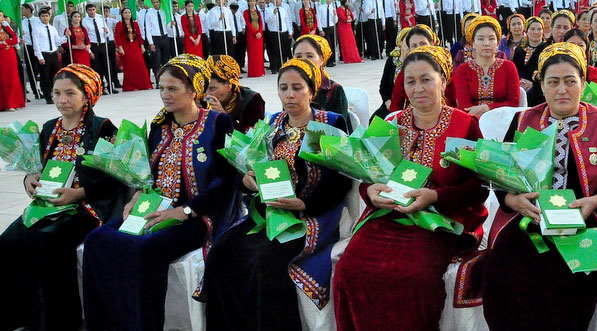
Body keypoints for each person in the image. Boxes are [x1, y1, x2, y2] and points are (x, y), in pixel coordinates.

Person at [481, 43, 597, 330]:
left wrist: (595, 201)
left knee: (570, 278)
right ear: (542, 87)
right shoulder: (524, 120)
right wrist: (511, 200)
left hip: (588, 222)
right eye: (553, 82)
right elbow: (502, 171)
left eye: (570, 81)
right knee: (504, 268)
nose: (562, 90)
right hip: (530, 220)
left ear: (582, 85)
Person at [82, 54, 240, 331]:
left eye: (172, 88)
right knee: (97, 240)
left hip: (197, 216)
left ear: (194, 90)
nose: (164, 95)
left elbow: (225, 184)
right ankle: (107, 323)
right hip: (154, 209)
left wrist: (185, 210)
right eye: (161, 88)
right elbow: (148, 175)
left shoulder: (217, 123)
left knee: (144, 250)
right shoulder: (159, 126)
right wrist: (135, 198)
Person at [333, 45, 487, 329]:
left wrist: (435, 196)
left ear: (443, 80)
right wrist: (371, 193)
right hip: (389, 218)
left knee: (412, 277)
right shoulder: (391, 124)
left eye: (426, 79)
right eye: (410, 81)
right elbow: (369, 176)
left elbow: (479, 189)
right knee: (349, 271)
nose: (418, 89)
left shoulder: (465, 125)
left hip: (440, 221)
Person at [202, 58, 351, 328]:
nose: (289, 95)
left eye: (297, 87)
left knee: (265, 262)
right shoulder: (274, 123)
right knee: (221, 252)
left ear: (312, 90)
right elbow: (255, 167)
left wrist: (303, 203)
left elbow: (340, 183)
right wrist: (247, 182)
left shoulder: (327, 124)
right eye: (283, 88)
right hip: (271, 212)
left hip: (310, 215)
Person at [0, 65, 120, 331]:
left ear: (87, 95)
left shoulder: (103, 129)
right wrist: (29, 180)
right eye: (56, 93)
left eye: (69, 93)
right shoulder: (48, 128)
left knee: (47, 243)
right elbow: (38, 168)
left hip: (87, 208)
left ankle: (59, 322)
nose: (61, 100)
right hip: (49, 205)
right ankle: (22, 317)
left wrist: (79, 193)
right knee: (7, 243)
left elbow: (116, 178)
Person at [453, 16, 521, 116]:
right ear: (473, 44)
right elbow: (464, 107)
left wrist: (488, 108)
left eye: (491, 39)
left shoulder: (509, 67)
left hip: (504, 121)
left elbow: (514, 103)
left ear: (497, 43)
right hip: (472, 122)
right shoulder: (462, 70)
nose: (486, 43)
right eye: (480, 39)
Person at [292, 34, 350, 130]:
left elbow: (339, 129)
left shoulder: (334, 90)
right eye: (298, 56)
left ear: (321, 60)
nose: (304, 61)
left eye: (310, 56)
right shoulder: (290, 87)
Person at [385, 25, 447, 114]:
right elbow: (396, 105)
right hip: (412, 116)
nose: (419, 48)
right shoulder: (405, 72)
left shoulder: (445, 68)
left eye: (423, 43)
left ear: (432, 44)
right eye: (414, 45)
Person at [204, 55, 266, 133]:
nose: (207, 93)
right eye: (205, 88)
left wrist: (223, 115)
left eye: (212, 88)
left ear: (229, 85)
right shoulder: (200, 99)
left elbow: (252, 137)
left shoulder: (252, 100)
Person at [115, 8, 152, 92]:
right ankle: (131, 86)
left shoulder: (135, 24)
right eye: (125, 13)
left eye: (129, 12)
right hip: (126, 48)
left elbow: (139, 36)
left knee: (141, 65)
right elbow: (117, 37)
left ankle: (144, 84)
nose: (127, 14)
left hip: (135, 47)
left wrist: (142, 46)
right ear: (122, 14)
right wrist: (120, 48)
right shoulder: (119, 24)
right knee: (129, 67)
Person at [511, 16, 549, 92]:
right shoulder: (520, 49)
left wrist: (533, 83)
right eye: (532, 29)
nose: (536, 32)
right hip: (521, 86)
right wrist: (521, 81)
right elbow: (515, 70)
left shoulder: (547, 49)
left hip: (540, 88)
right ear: (526, 31)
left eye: (539, 29)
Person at [33, 7, 62, 104]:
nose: (45, 18)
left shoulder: (52, 28)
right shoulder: (37, 29)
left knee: (55, 75)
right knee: (45, 76)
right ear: (40, 17)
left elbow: (57, 40)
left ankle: (53, 92)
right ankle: (47, 96)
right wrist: (40, 57)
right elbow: (36, 45)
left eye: (46, 16)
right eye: (43, 16)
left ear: (49, 17)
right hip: (44, 54)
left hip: (53, 53)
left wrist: (66, 36)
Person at [0, 19, 24, 110]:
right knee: (4, 79)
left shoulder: (6, 28)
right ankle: (6, 104)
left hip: (10, 55)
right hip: (1, 56)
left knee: (13, 78)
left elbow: (15, 39)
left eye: (1, 16)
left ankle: (15, 103)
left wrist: (5, 42)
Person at [243, 0, 266, 78]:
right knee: (252, 54)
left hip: (259, 36)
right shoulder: (246, 12)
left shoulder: (258, 12)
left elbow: (261, 23)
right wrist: (255, 32)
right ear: (248, 2)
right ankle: (253, 72)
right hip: (251, 35)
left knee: (259, 54)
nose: (252, 2)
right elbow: (248, 24)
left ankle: (260, 71)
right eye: (251, 1)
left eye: (253, 1)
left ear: (255, 2)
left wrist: (259, 32)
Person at [336, 0, 362, 64]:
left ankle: (354, 57)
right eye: (347, 1)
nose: (348, 2)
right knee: (345, 43)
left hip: (348, 27)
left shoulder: (347, 9)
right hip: (343, 28)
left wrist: (348, 19)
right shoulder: (339, 9)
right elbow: (342, 18)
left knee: (351, 42)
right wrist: (348, 19)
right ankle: (347, 58)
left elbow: (352, 16)